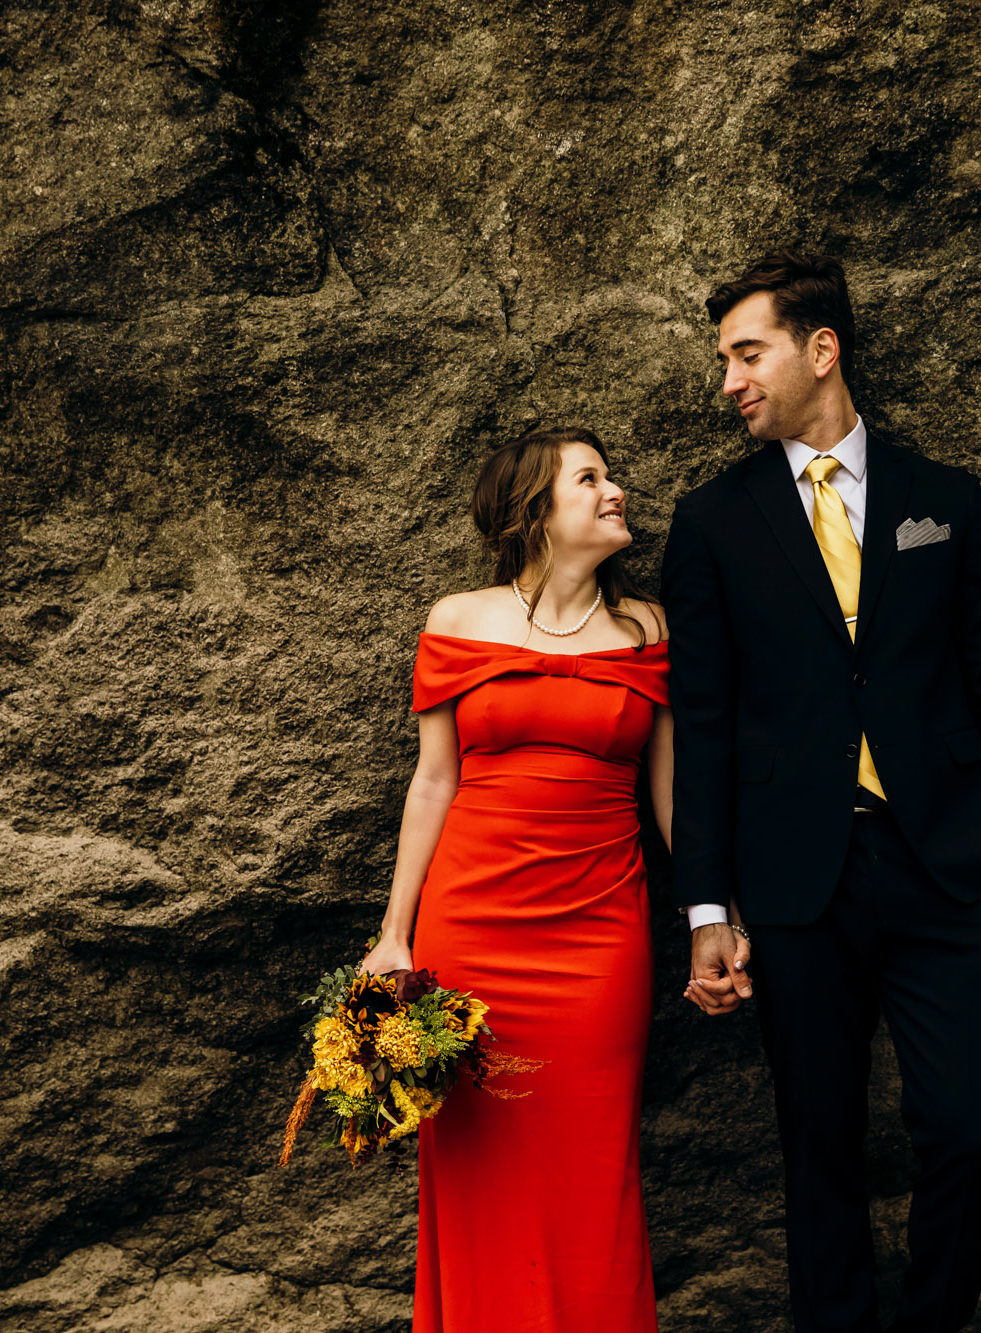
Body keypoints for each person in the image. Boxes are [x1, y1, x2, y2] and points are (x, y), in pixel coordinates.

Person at [662, 250, 981, 1333]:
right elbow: (705, 722)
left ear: (820, 350)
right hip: (795, 882)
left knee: (967, 1130)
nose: (726, 381)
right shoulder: (712, 521)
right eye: (722, 359)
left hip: (949, 871)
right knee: (815, 1144)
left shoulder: (941, 500)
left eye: (746, 353)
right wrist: (705, 907)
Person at [360, 425, 670, 1333]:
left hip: (600, 937)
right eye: (592, 479)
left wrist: (714, 916)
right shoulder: (458, 619)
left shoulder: (648, 629)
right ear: (535, 510)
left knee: (594, 1170)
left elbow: (674, 804)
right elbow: (434, 781)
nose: (617, 491)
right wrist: (394, 936)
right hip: (474, 934)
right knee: (476, 1175)